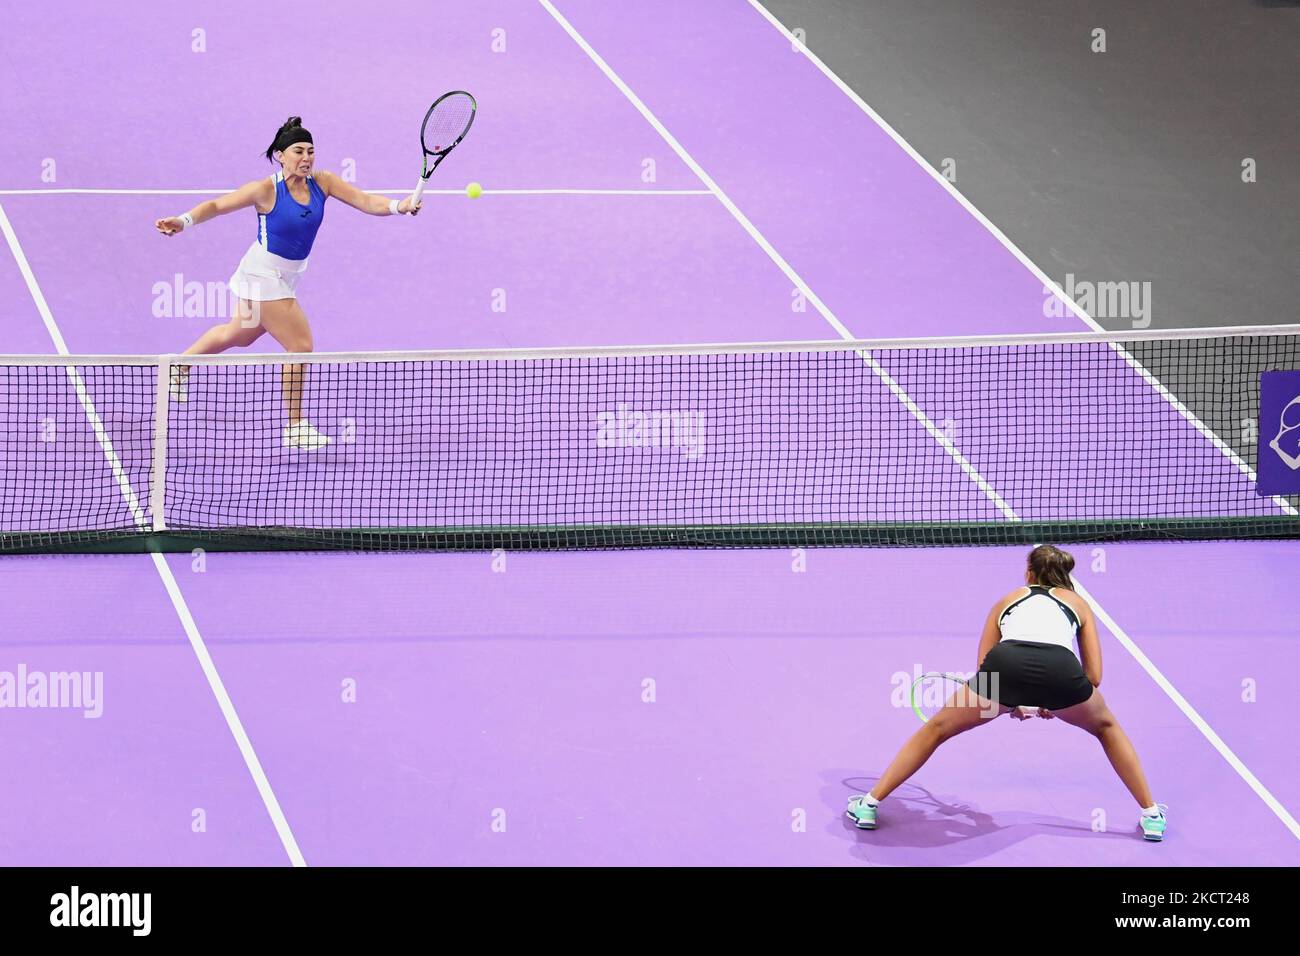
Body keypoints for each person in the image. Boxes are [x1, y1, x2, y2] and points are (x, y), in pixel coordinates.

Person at [846, 544, 1167, 841]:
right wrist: (1054, 701)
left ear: (1029, 573)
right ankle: (1151, 815)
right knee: (1106, 728)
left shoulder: (1005, 600)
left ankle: (869, 804)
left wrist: (1008, 702)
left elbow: (985, 665)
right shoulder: (1078, 604)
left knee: (936, 729)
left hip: (1003, 671)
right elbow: (1094, 676)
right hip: (1062, 675)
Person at [155, 116, 420, 450]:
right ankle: (295, 426)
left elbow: (366, 201)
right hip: (262, 275)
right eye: (298, 151)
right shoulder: (265, 189)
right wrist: (184, 221)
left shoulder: (323, 183)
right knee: (300, 345)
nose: (306, 158)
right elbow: (217, 206)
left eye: (311, 151)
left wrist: (400, 205)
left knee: (239, 334)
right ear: (280, 155)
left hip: (287, 275)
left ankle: (178, 365)